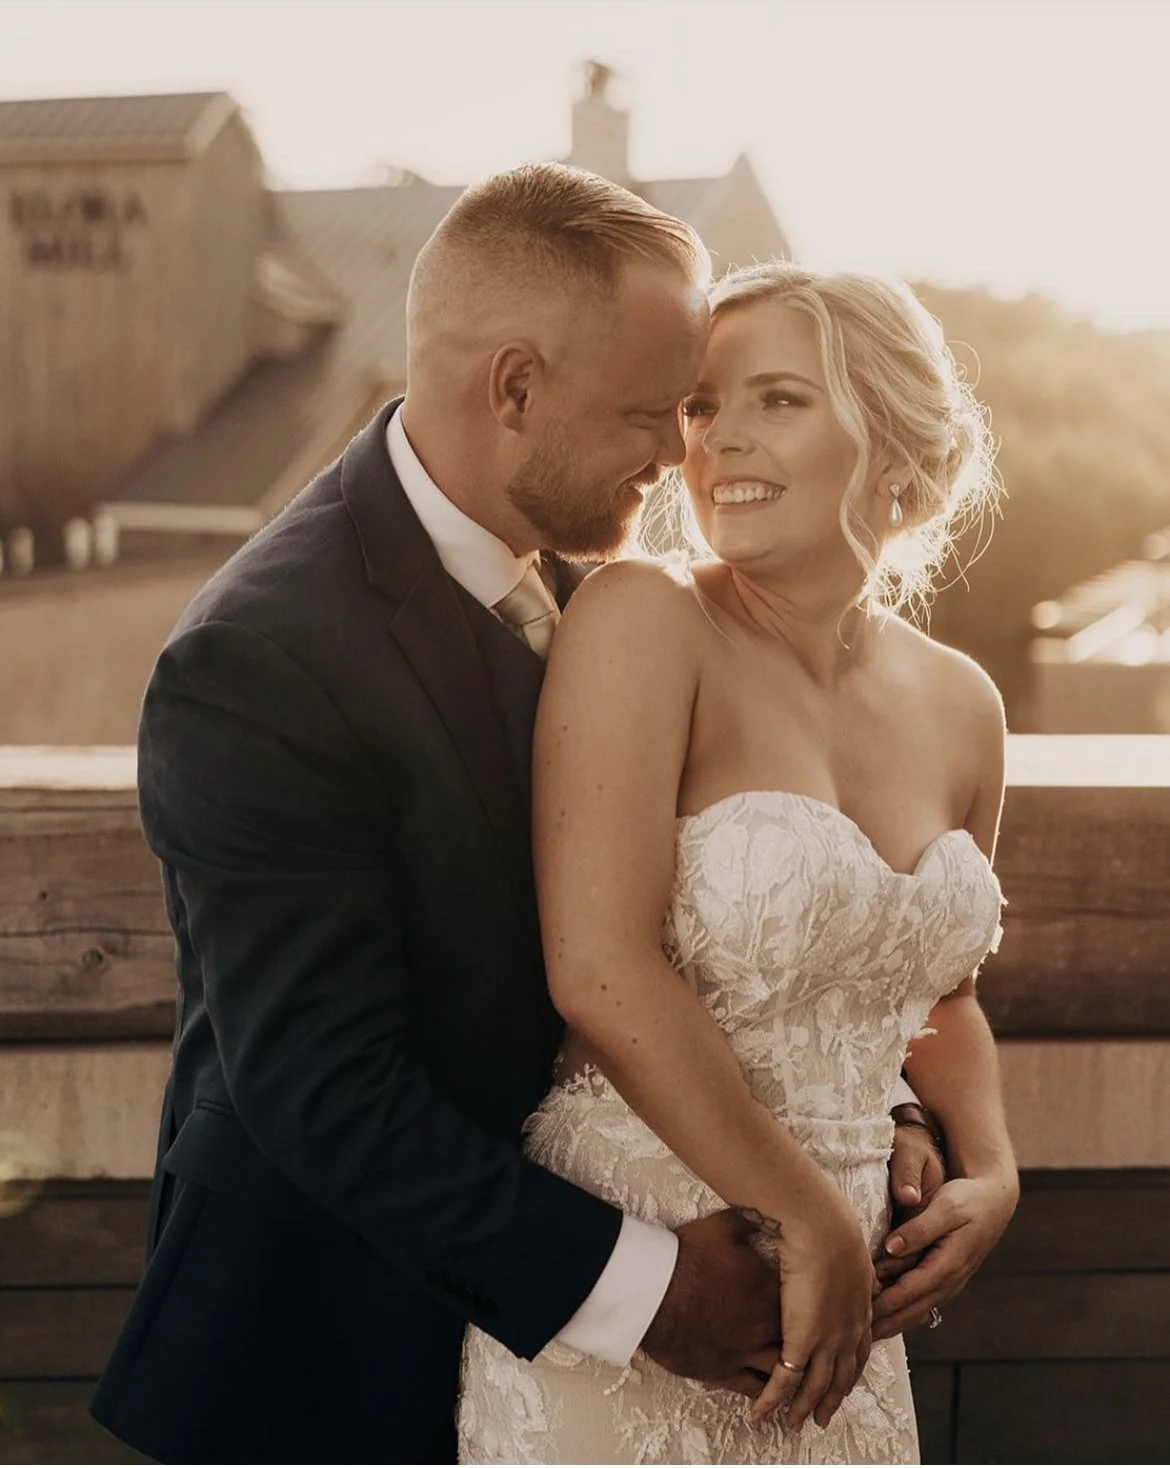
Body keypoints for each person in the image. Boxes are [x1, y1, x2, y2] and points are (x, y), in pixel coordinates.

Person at [90, 168, 947, 1464]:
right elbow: (321, 1092)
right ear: (512, 390)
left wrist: (885, 1114)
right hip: (331, 1349)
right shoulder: (258, 660)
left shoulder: (612, 581)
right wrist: (650, 1291)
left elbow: (703, 923)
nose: (681, 456)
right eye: (652, 414)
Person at [459, 261, 1020, 1464]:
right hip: (653, 1271)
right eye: (703, 406)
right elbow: (599, 971)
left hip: (849, 1313)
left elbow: (945, 994)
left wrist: (996, 1173)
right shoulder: (644, 618)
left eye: (778, 399)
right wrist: (806, 1211)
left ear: (898, 446)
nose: (716, 443)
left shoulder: (965, 704)